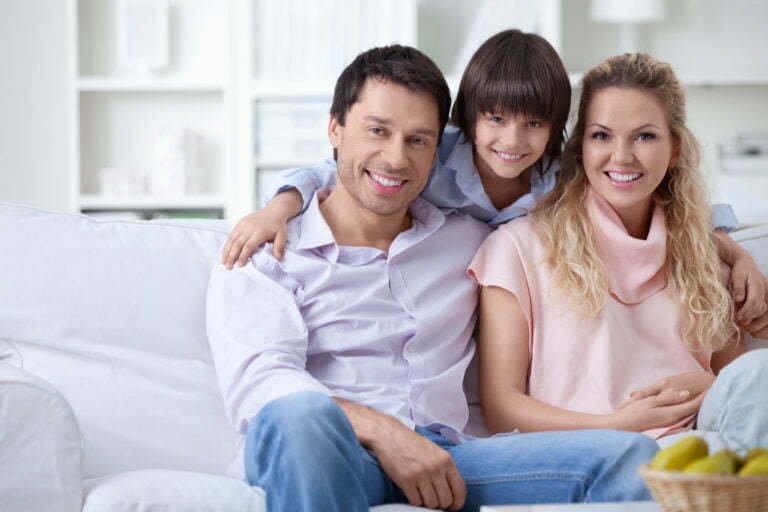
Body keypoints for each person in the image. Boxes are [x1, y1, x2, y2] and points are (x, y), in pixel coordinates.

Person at [206, 45, 658, 512]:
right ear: (335, 127)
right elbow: (260, 384)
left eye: (418, 140)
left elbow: (623, 193)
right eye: (377, 131)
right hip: (332, 451)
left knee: (629, 456)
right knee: (299, 416)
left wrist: (720, 241)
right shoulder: (264, 248)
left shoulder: (471, 238)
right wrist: (385, 432)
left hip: (450, 459)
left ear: (440, 147)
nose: (396, 158)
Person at [220, 29, 767, 329]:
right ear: (468, 117)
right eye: (496, 120)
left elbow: (656, 197)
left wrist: (731, 250)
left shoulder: (561, 176)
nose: (512, 142)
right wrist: (279, 206)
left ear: (555, 130)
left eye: (534, 124)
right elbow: (330, 171)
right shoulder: (431, 157)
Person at [469, 53, 768, 455]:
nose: (622, 156)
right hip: (591, 456)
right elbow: (502, 410)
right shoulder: (516, 248)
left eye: (644, 136)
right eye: (601, 136)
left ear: (674, 149)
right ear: (580, 148)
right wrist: (616, 427)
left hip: (704, 452)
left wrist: (714, 387)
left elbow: (743, 389)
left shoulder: (702, 251)